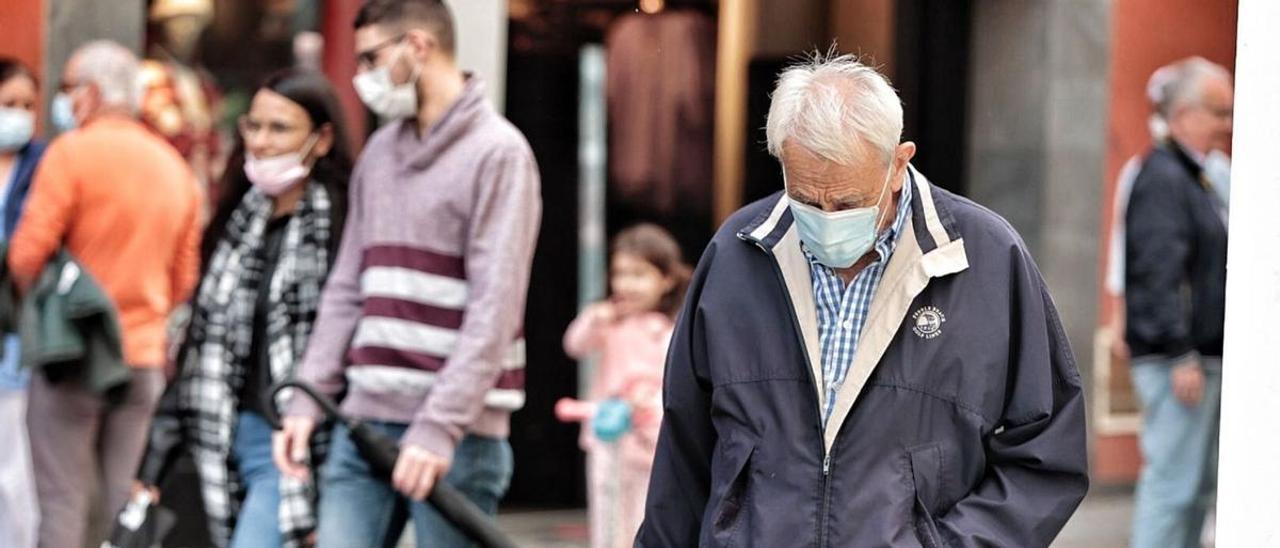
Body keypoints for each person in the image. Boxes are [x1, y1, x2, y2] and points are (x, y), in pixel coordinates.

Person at [636, 53, 1088, 547]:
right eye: (805, 198)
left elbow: (1046, 454)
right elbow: (684, 456)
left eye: (847, 202)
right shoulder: (735, 253)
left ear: (898, 163)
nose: (826, 217)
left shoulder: (987, 258)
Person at [272, 1, 542, 546]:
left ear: (417, 46)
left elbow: (495, 307)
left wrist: (440, 426)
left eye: (372, 58)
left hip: (459, 438)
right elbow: (348, 287)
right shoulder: (379, 153)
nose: (362, 77)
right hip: (365, 418)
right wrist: (308, 399)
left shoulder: (499, 154)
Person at [135, 69, 353, 548]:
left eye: (280, 128)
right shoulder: (238, 221)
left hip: (295, 445)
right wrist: (154, 460)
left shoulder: (343, 224)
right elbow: (197, 343)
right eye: (253, 126)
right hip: (220, 434)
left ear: (321, 139)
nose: (261, 141)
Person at [8, 40, 202, 548]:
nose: (65, 99)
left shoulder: (71, 154)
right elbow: (184, 280)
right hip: (142, 357)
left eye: (68, 88)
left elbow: (27, 254)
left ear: (90, 93)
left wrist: (44, 309)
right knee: (121, 503)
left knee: (63, 502)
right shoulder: (173, 167)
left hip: (72, 354)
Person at [1125, 57, 1232, 548]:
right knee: (1174, 488)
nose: (1227, 125)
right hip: (1179, 362)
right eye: (1218, 112)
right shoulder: (1165, 176)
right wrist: (1179, 351)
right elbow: (1156, 271)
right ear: (1185, 113)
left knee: (1193, 489)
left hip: (1192, 358)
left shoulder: (1194, 176)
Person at [556, 224, 689, 548]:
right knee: (607, 516)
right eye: (620, 274)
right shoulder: (609, 323)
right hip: (608, 437)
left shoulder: (671, 330)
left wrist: (651, 406)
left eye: (639, 275)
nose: (627, 284)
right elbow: (574, 345)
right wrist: (594, 319)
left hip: (651, 441)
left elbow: (675, 386)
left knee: (647, 512)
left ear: (666, 279)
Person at [0, 56, 46, 548]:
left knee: (18, 475)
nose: (19, 115)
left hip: (17, 336)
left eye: (27, 105)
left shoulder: (43, 164)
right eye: (8, 103)